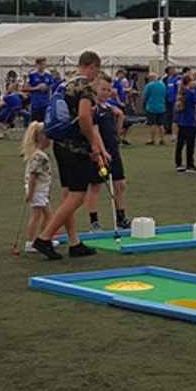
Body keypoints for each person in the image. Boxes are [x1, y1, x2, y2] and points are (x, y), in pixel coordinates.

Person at [35, 51, 109, 260]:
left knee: (68, 195)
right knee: (77, 196)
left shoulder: (64, 84)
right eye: (97, 70)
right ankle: (45, 237)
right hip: (76, 147)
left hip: (60, 144)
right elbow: (85, 116)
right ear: (92, 66)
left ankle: (74, 242)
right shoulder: (85, 87)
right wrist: (94, 144)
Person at [85, 77, 129, 232]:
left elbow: (116, 132)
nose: (106, 92)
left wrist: (120, 117)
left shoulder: (109, 107)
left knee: (120, 184)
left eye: (108, 90)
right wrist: (102, 151)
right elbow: (95, 132)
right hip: (99, 152)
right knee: (96, 186)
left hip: (113, 150)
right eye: (103, 89)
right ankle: (94, 221)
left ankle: (121, 218)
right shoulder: (93, 109)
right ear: (95, 90)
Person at [20, 121, 54, 252]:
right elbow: (33, 176)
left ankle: (43, 238)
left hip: (40, 190)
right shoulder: (39, 156)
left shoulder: (39, 154)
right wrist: (30, 193)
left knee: (48, 216)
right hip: (37, 191)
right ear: (42, 137)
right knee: (37, 216)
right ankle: (31, 242)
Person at [173, 70, 196, 172]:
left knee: (180, 143)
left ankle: (178, 163)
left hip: (182, 121)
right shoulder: (190, 93)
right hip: (190, 121)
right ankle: (190, 164)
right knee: (190, 144)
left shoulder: (181, 93)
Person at [141, 73, 168, 145]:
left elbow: (145, 96)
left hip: (151, 107)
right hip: (161, 107)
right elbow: (165, 95)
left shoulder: (149, 85)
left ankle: (152, 139)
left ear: (150, 78)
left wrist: (144, 103)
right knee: (161, 124)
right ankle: (162, 139)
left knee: (153, 124)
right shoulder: (163, 85)